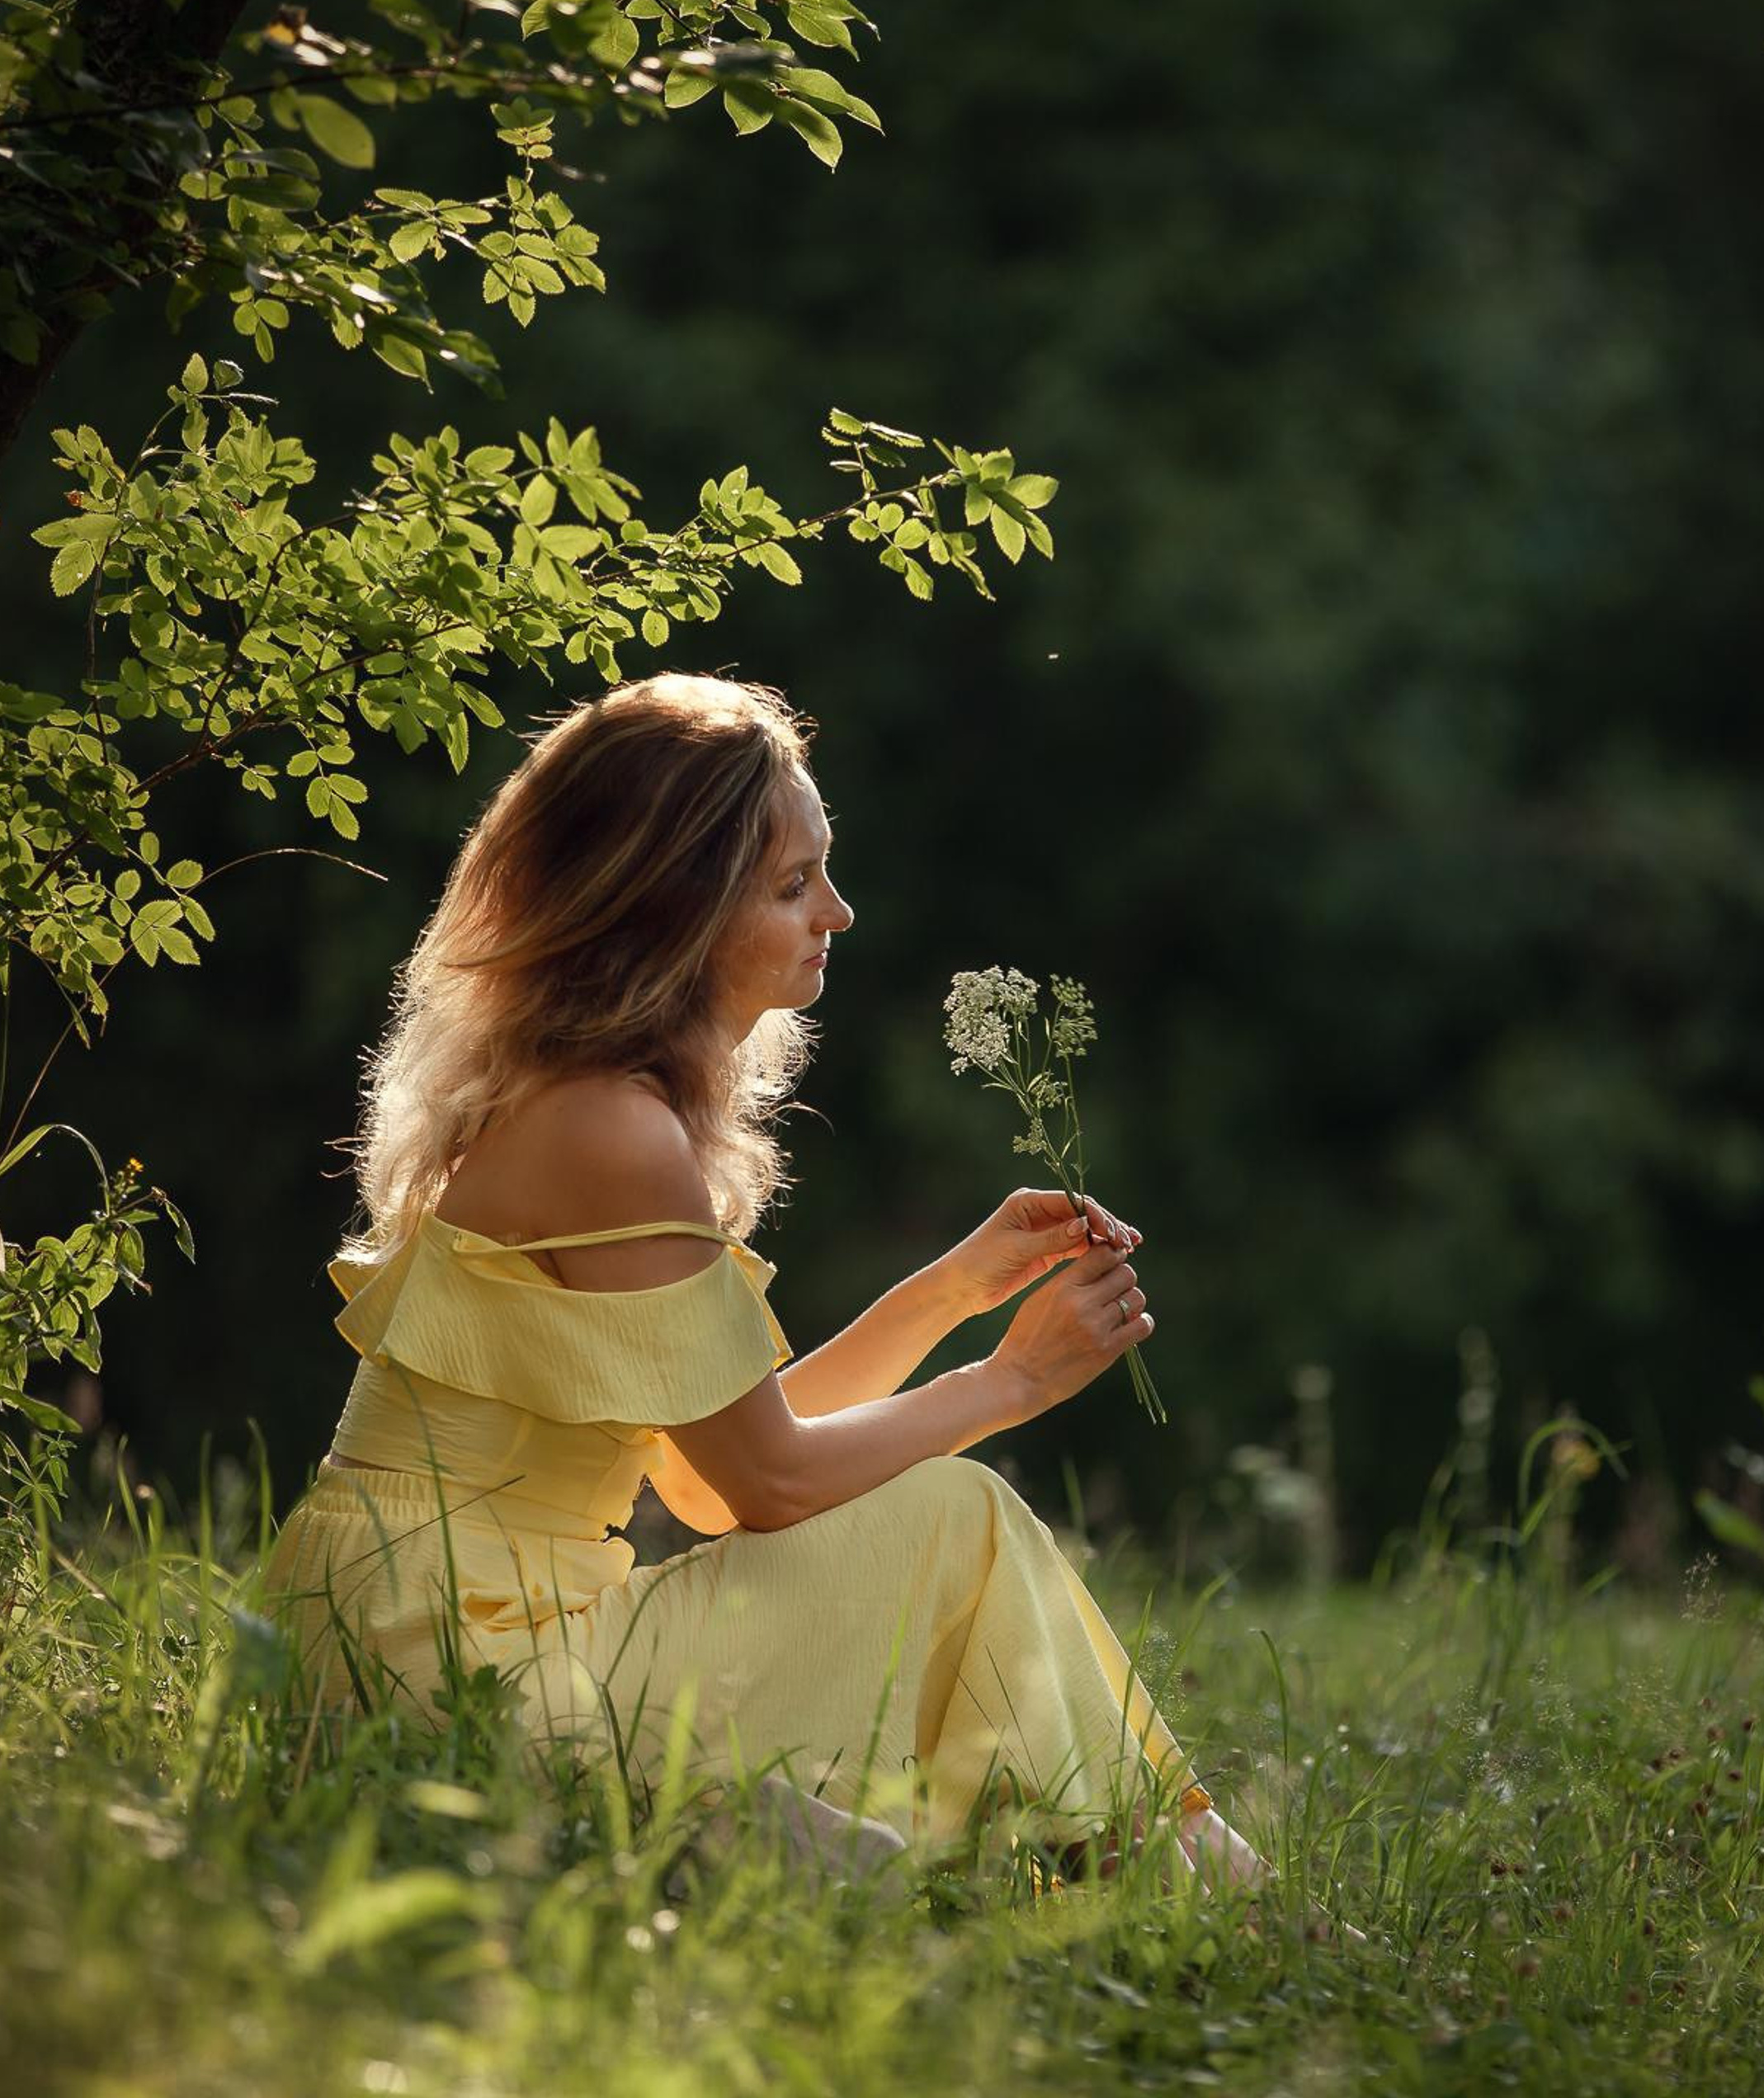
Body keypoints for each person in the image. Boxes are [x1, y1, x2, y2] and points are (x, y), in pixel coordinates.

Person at [262, 672, 1288, 1917]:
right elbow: (768, 1485)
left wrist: (953, 1292)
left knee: (955, 1536)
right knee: (963, 1516)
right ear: (672, 911)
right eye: (794, 884)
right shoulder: (608, 1127)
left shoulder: (592, 1103)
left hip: (436, 1635)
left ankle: (1175, 1878)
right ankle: (1203, 1891)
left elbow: (702, 1477)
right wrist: (1010, 1380)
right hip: (453, 1667)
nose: (838, 914)